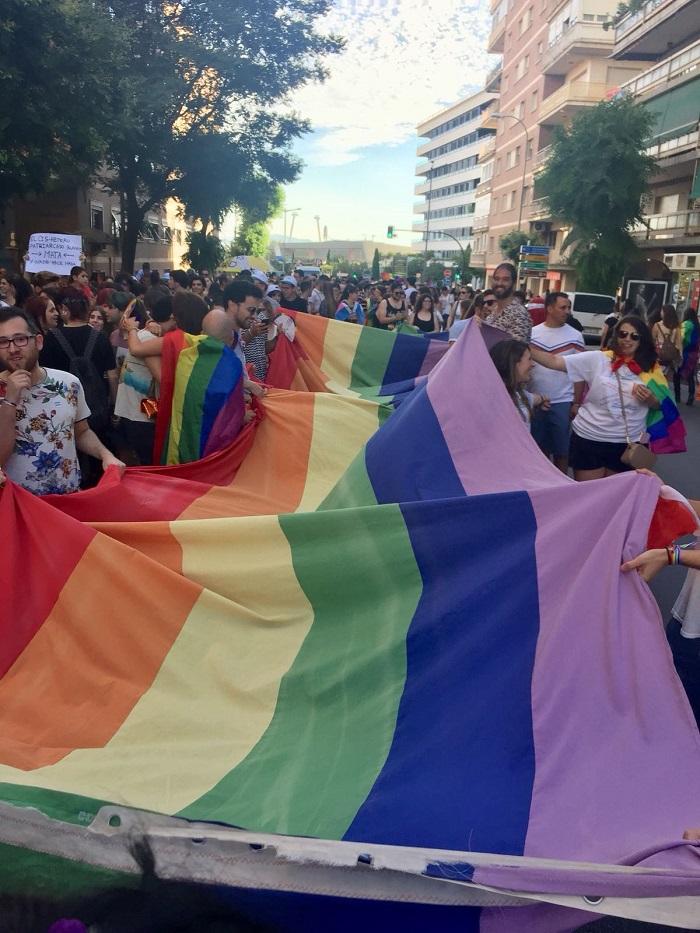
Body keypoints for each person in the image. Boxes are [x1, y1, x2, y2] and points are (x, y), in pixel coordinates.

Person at [0, 308, 124, 494]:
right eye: (3, 342)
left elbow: (81, 432)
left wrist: (106, 455)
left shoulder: (68, 383)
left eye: (20, 339)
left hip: (69, 500)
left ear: (39, 341)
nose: (12, 349)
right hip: (19, 505)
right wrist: (10, 400)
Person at [530, 315, 666, 481]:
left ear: (642, 340)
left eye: (634, 336)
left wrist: (651, 400)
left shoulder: (651, 368)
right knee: (591, 497)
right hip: (589, 438)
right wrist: (525, 347)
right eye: (623, 334)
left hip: (627, 444)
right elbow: (555, 361)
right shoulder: (599, 358)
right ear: (616, 336)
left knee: (617, 498)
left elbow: (663, 406)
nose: (627, 339)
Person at [115, 295, 176, 465]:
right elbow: (162, 378)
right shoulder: (149, 340)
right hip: (141, 417)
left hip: (133, 412)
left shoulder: (144, 335)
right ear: (172, 316)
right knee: (149, 465)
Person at [40, 288, 119, 420]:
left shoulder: (51, 338)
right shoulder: (101, 338)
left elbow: (45, 375)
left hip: (62, 407)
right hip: (95, 408)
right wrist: (114, 407)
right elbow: (112, 376)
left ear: (65, 309)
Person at [529, 292, 585, 473]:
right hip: (536, 400)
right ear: (549, 308)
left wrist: (576, 403)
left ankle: (562, 483)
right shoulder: (532, 334)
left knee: (562, 450)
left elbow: (580, 373)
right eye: (563, 307)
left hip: (561, 401)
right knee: (538, 449)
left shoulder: (575, 336)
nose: (567, 311)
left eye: (568, 307)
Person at [489, 338, 550, 426]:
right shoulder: (494, 401)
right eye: (529, 359)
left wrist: (543, 399)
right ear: (514, 363)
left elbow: (534, 399)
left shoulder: (519, 394)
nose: (533, 364)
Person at [483, 262, 532, 343]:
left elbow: (516, 351)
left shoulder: (519, 314)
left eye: (505, 279)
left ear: (514, 283)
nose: (499, 283)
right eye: (497, 279)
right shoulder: (493, 314)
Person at [652, 303, 683, 391]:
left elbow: (652, 341)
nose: (661, 313)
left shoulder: (657, 325)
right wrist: (679, 358)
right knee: (665, 379)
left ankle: (656, 395)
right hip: (670, 358)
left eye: (662, 311)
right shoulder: (676, 327)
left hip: (658, 356)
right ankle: (663, 395)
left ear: (665, 313)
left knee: (656, 377)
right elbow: (679, 344)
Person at [676, 305, 699, 407]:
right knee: (690, 375)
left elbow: (681, 337)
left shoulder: (686, 324)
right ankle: (691, 396)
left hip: (685, 352)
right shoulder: (698, 325)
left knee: (677, 374)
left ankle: (677, 396)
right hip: (694, 354)